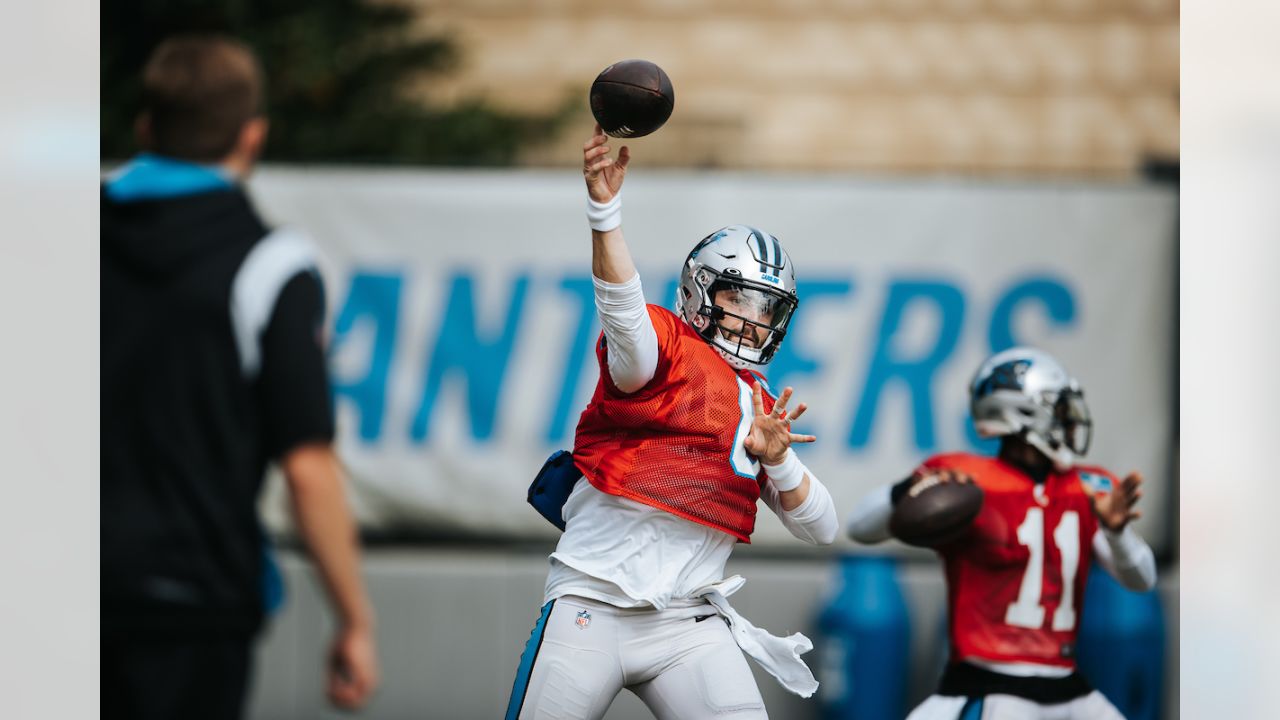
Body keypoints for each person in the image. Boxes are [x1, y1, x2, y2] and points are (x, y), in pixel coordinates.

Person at [504, 126, 840, 720]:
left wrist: (778, 459)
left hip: (688, 623)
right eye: (742, 299)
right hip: (592, 602)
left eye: (768, 309)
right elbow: (623, 311)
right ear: (701, 293)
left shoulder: (759, 406)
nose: (755, 321)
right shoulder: (665, 349)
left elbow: (823, 528)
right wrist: (603, 214)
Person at [102, 36, 379, 719]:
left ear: (145, 128)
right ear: (252, 137)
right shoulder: (270, 266)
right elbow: (307, 467)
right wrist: (353, 620)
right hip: (194, 603)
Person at [846, 347, 1157, 719]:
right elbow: (859, 529)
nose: (1069, 421)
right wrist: (907, 489)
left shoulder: (1088, 488)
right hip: (989, 684)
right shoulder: (967, 482)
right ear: (1022, 413)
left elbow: (1143, 580)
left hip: (1067, 684)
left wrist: (1117, 531)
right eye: (1058, 409)